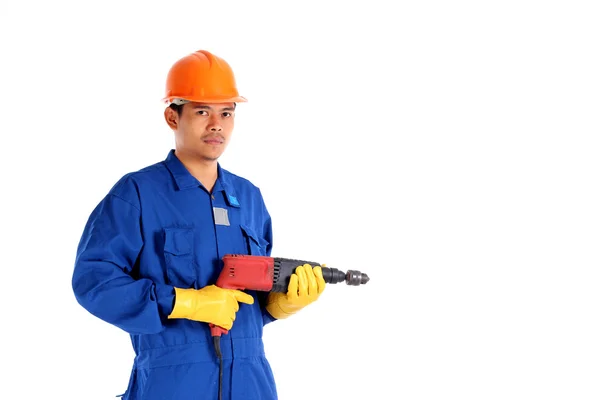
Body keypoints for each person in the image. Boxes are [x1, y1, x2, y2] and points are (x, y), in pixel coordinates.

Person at [72, 49, 327, 400]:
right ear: (172, 117)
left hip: (252, 383)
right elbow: (94, 282)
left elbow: (246, 302)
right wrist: (184, 302)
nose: (216, 124)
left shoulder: (249, 197)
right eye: (202, 111)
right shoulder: (137, 194)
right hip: (171, 386)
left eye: (227, 112)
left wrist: (278, 305)